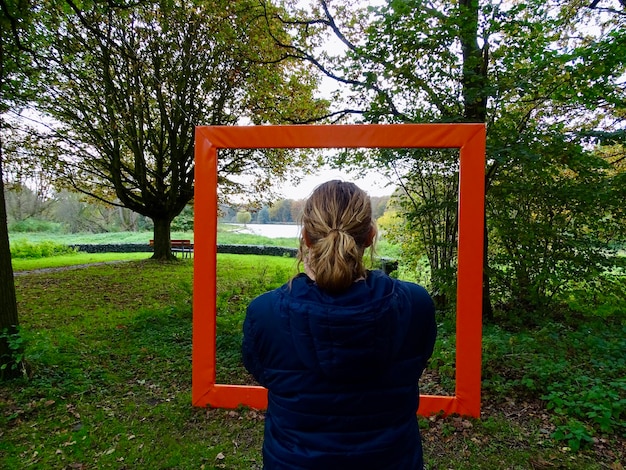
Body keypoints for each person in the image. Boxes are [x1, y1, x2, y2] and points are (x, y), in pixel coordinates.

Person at [242, 180, 437, 470]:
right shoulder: (416, 304)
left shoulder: (265, 313)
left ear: (306, 237)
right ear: (370, 235)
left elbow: (261, 370)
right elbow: (418, 358)